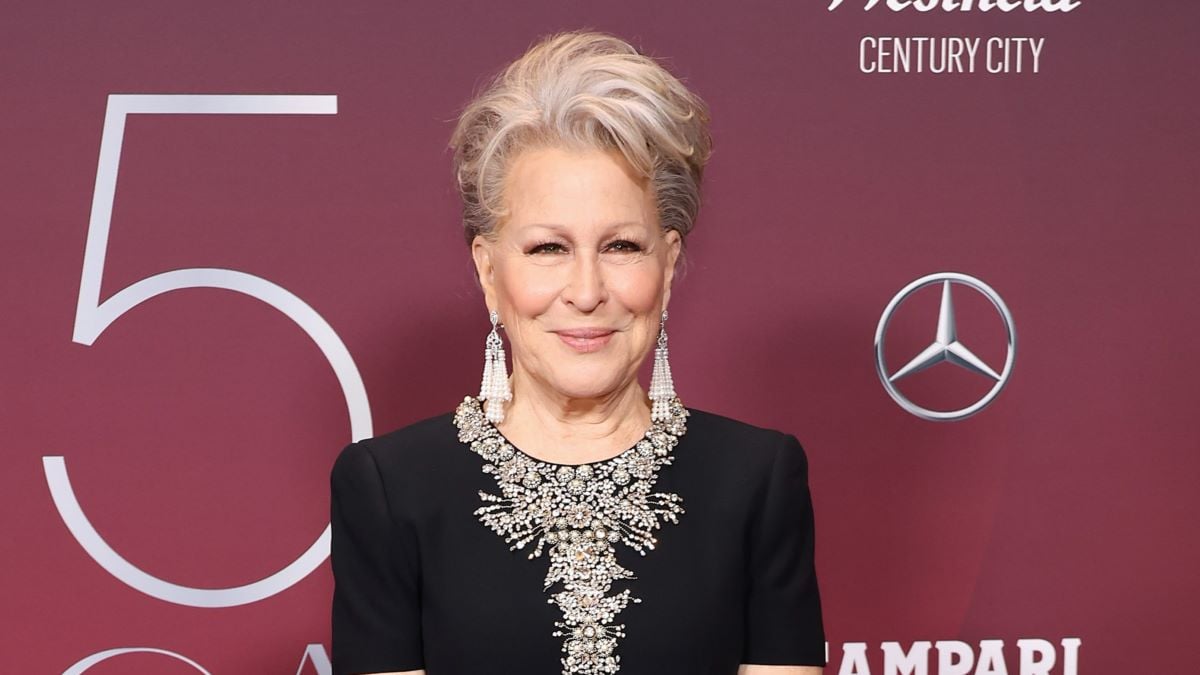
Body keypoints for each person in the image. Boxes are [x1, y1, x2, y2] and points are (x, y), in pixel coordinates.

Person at [330, 29, 825, 675]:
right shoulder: (389, 488)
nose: (587, 291)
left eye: (621, 246)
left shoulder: (757, 478)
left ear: (668, 266)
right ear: (488, 272)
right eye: (547, 249)